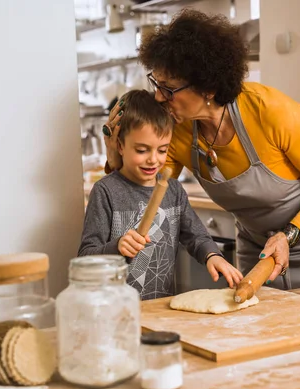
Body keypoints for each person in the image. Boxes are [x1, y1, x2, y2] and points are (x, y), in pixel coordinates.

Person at [102, 10, 300, 290]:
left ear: (208, 88)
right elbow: (142, 194)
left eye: (168, 89)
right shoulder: (177, 128)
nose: (158, 97)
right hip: (260, 245)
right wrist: (113, 153)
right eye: (156, 84)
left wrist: (287, 236)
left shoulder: (271, 112)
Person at [80, 90, 242, 300]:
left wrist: (212, 255)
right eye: (142, 150)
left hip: (160, 307)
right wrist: (116, 247)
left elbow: (197, 237)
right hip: (114, 309)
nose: (153, 160)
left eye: (162, 150)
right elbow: (85, 257)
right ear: (120, 145)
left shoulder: (173, 191)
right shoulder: (106, 191)